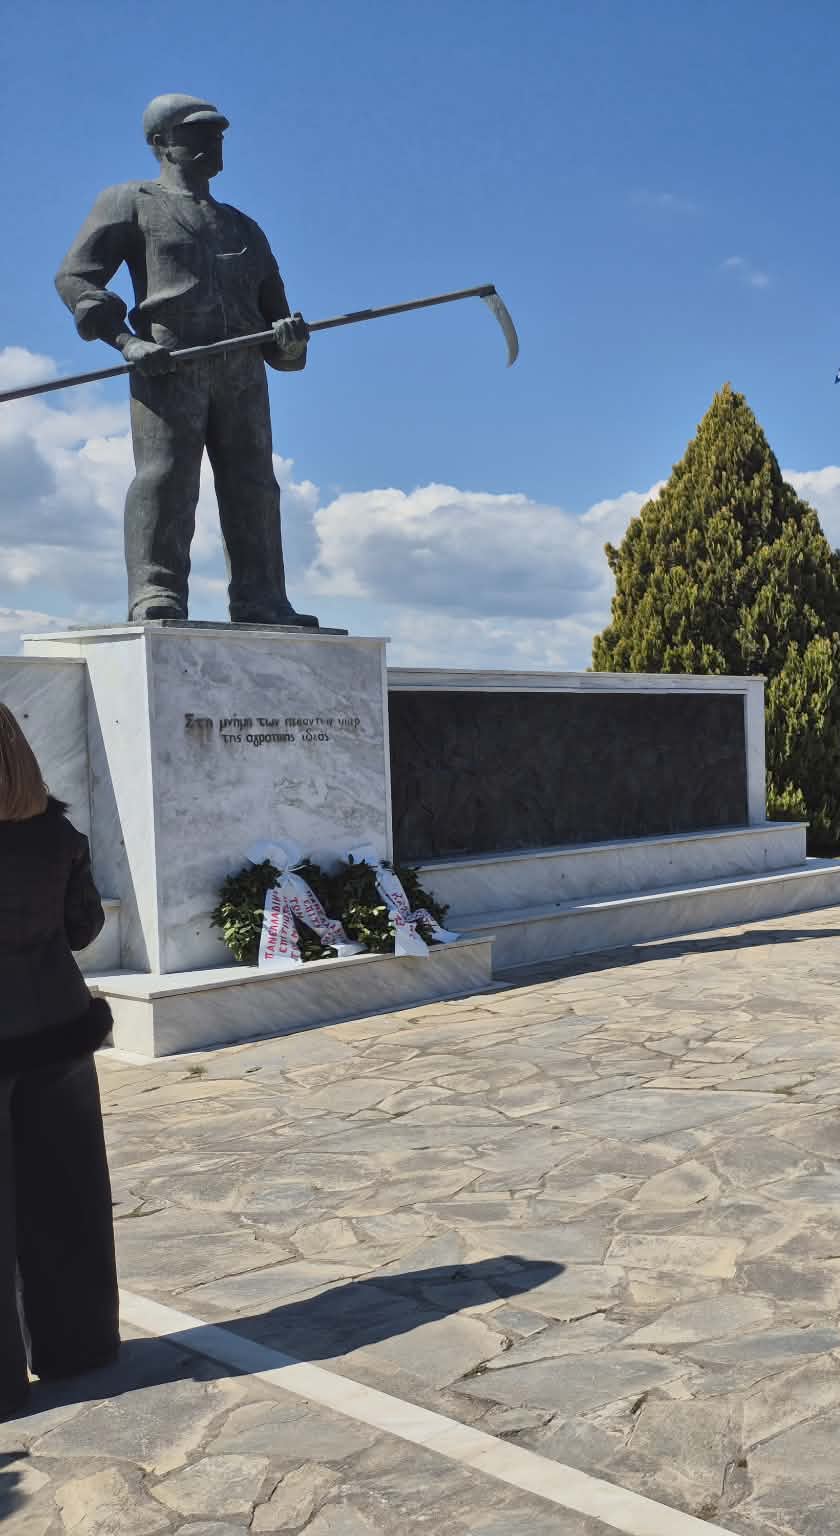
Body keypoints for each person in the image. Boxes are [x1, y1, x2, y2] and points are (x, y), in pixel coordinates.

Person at [55, 95, 318, 626]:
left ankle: (262, 598)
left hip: (242, 371)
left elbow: (279, 331)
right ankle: (156, 592)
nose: (213, 143)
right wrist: (127, 342)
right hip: (168, 364)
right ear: (160, 143)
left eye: (217, 134)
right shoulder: (131, 201)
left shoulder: (244, 227)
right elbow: (77, 278)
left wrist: (289, 339)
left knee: (254, 484)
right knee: (167, 478)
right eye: (197, 134)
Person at [0, 704, 118, 1418]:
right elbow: (81, 930)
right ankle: (80, 1347)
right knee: (67, 1197)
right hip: (58, 1029)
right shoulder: (58, 835)